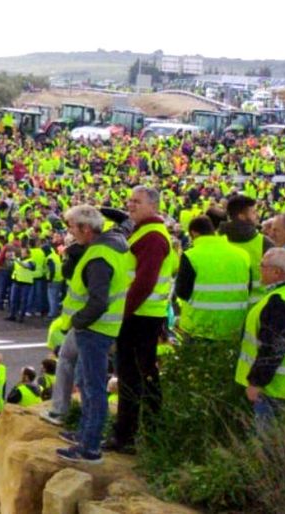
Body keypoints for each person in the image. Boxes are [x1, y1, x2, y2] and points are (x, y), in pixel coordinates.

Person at [55, 204, 131, 463]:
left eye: (72, 228)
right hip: (100, 328)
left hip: (94, 329)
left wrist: (78, 321)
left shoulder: (99, 257)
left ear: (86, 229)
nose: (70, 233)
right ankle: (85, 435)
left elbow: (98, 301)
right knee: (86, 381)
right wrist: (96, 209)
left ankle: (90, 447)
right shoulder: (115, 240)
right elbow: (126, 222)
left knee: (93, 387)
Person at [113, 186, 175, 454]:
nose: (130, 205)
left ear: (153, 205)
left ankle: (127, 435)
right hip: (144, 315)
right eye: (129, 200)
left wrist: (122, 312)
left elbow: (145, 282)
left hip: (140, 316)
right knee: (141, 374)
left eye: (137, 201)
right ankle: (146, 431)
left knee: (132, 376)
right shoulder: (146, 232)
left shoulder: (152, 236)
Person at [236, 248, 285, 431]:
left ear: (276, 272)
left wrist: (256, 382)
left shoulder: (280, 302)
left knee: (269, 442)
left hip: (279, 389)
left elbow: (273, 347)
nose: (259, 269)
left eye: (262, 266)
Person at [175, 215, 251, 342]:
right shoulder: (243, 255)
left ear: (194, 233)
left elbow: (182, 292)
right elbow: (248, 288)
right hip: (233, 327)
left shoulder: (191, 255)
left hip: (198, 326)